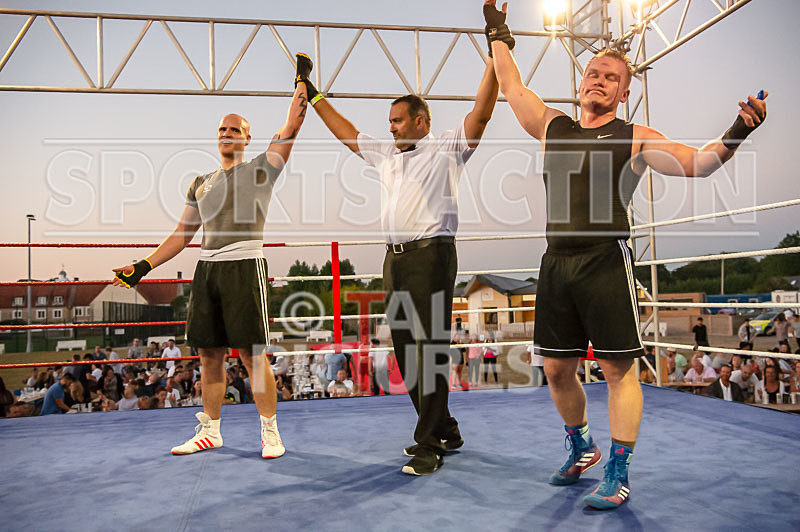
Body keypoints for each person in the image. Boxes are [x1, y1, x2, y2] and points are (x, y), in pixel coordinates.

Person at [486, 0, 767, 509]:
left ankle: (619, 469)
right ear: (581, 83)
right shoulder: (554, 127)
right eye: (592, 72)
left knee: (618, 371)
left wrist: (738, 130)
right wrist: (498, 29)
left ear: (623, 91)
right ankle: (582, 445)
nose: (597, 79)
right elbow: (511, 86)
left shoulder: (635, 137)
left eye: (609, 76)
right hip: (556, 262)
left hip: (605, 260)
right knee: (555, 369)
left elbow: (697, 164)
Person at [304, 29, 498, 473]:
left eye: (397, 120)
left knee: (428, 348)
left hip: (432, 256)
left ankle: (429, 444)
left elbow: (482, 113)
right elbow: (347, 134)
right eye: (389, 121)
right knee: (407, 350)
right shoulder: (388, 155)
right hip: (395, 261)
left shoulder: (446, 147)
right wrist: (314, 96)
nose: (390, 127)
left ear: (421, 121)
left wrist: (494, 56)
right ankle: (444, 427)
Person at [111, 61, 308, 459]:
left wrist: (301, 84)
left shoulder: (261, 170)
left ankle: (270, 432)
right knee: (209, 355)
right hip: (207, 269)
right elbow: (182, 236)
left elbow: (291, 127)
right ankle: (211, 430)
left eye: (234, 129)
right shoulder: (200, 183)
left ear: (248, 138)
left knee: (252, 355)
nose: (226, 133)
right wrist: (143, 268)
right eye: (222, 128)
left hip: (244, 266)